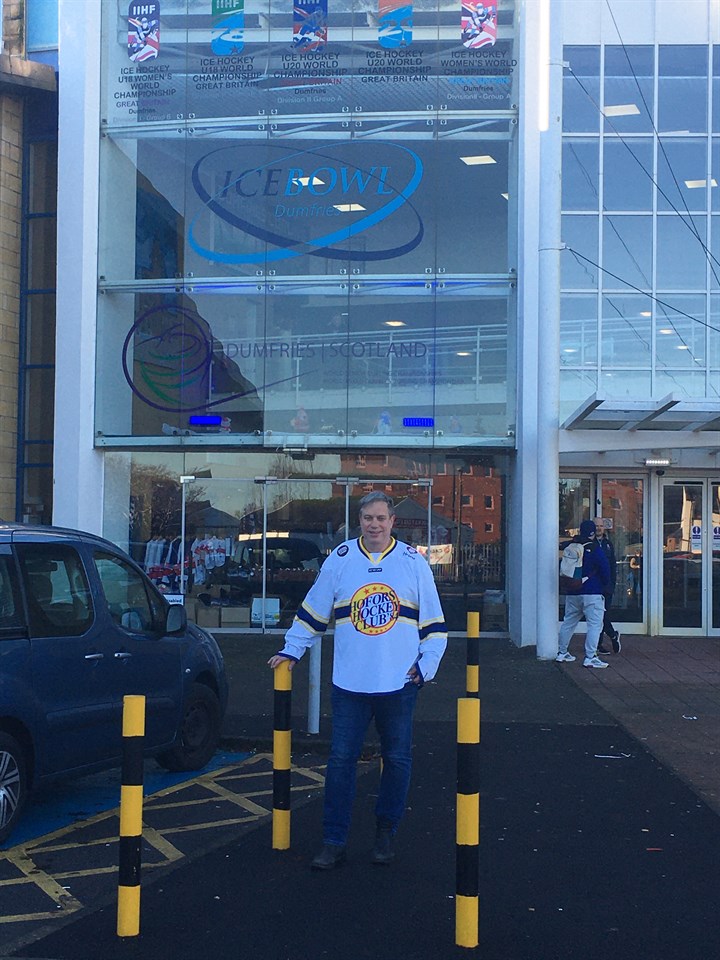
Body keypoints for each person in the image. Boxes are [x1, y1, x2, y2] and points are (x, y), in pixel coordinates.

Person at [268, 492, 447, 870]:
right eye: (368, 518)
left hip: (399, 684)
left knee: (397, 760)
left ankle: (385, 835)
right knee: (340, 762)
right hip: (349, 684)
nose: (374, 525)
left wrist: (427, 665)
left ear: (392, 521)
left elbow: (434, 625)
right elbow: (313, 612)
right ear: (359, 521)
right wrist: (292, 650)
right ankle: (333, 841)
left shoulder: (413, 562)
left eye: (381, 518)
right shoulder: (341, 559)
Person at [556, 519, 611, 669]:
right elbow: (605, 571)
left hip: (573, 590)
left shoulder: (571, 546)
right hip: (592, 592)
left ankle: (562, 652)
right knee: (594, 625)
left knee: (568, 622)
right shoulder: (595, 549)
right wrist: (605, 586)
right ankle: (590, 657)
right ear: (592, 533)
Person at [595, 523, 621, 655]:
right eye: (596, 525)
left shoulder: (608, 544)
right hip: (593, 586)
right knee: (597, 616)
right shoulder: (589, 544)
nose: (598, 528)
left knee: (602, 615)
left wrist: (611, 584)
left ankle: (601, 642)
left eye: (601, 525)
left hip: (606, 587)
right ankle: (611, 635)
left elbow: (612, 565)